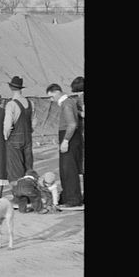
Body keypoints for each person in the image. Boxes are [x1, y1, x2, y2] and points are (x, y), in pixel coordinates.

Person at [50, 77, 83, 207]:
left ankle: (73, 199)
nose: (51, 100)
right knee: (66, 169)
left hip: (69, 137)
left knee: (69, 169)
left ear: (57, 93)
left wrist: (65, 141)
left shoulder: (67, 104)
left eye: (52, 97)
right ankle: (68, 196)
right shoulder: (69, 103)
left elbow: (72, 124)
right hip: (70, 137)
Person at [3, 75, 34, 183]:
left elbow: (7, 125)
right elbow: (34, 122)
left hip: (15, 139)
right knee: (28, 167)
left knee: (15, 169)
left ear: (11, 88)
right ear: (21, 88)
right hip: (28, 137)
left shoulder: (11, 104)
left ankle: (18, 194)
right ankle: (29, 190)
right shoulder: (30, 103)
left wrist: (6, 137)